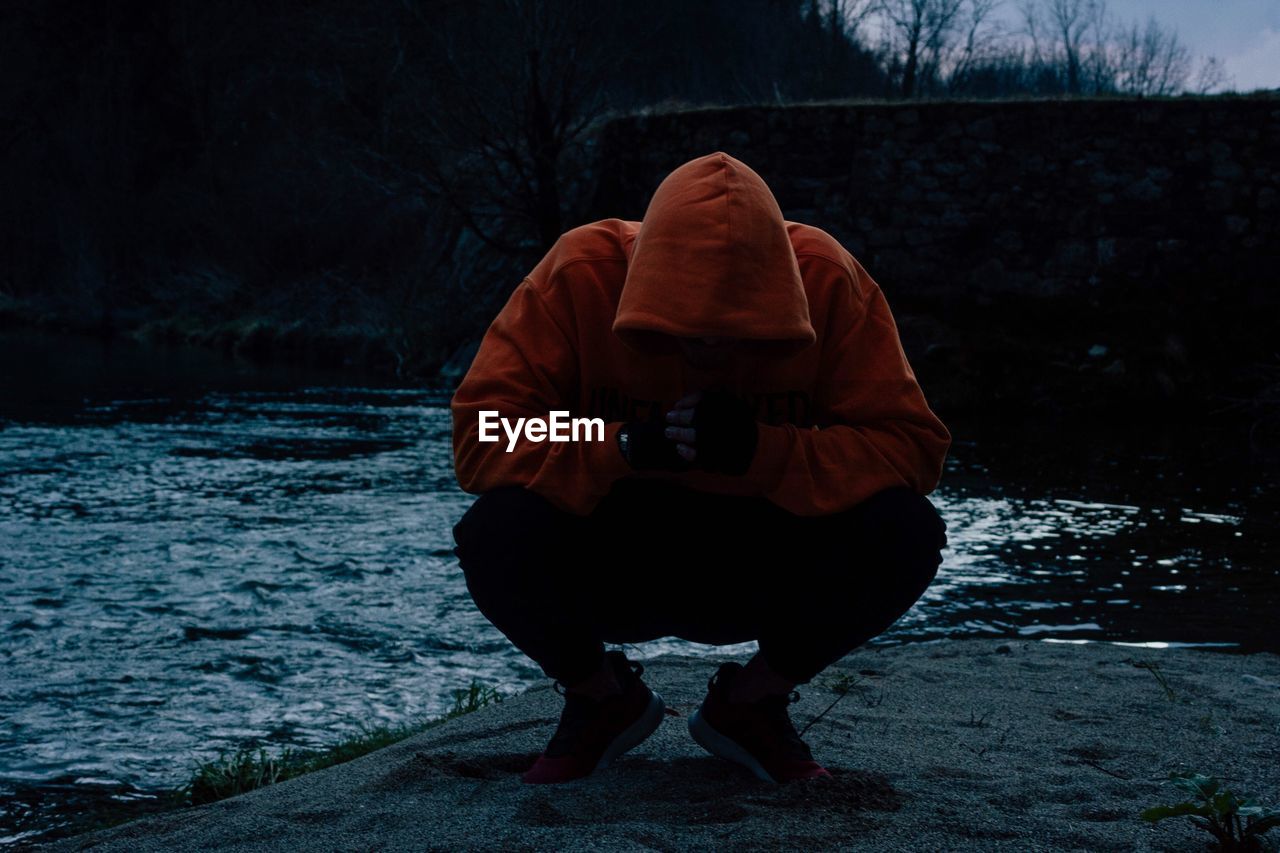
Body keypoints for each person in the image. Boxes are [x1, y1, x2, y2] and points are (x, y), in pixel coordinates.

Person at [450, 151, 951, 786]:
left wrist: (767, 452)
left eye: (739, 335)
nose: (707, 352)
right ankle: (601, 699)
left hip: (763, 549)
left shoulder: (826, 279)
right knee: (495, 529)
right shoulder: (580, 273)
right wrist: (619, 445)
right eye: (680, 332)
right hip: (618, 547)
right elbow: (480, 434)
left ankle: (751, 705)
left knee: (907, 530)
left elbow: (912, 447)